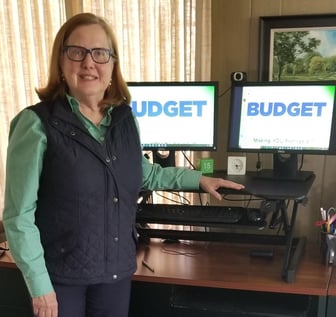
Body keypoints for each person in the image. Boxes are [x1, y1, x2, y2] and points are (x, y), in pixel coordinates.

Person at [2, 12, 244, 317]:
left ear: (112, 64)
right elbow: (18, 216)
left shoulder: (125, 119)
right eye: (77, 52)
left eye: (100, 53)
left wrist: (199, 180)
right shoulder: (36, 124)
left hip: (115, 274)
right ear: (61, 62)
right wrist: (40, 288)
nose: (89, 63)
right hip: (59, 279)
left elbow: (142, 173)